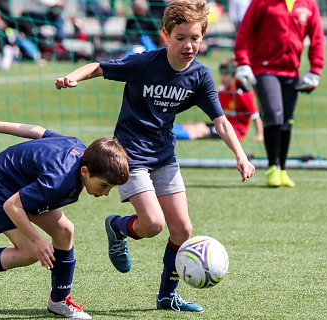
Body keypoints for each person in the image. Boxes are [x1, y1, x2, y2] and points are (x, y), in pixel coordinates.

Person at [55, 0, 255, 312]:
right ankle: (118, 227)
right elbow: (99, 67)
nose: (188, 45)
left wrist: (241, 156)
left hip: (164, 156)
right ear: (165, 35)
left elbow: (220, 121)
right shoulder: (145, 63)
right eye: (180, 38)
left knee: (183, 230)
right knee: (152, 225)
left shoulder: (200, 76)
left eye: (195, 38)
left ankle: (167, 296)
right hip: (130, 155)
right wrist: (73, 77)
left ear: (203, 37)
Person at [0, 107, 130, 319]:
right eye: (104, 185)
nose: (105, 193)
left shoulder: (81, 150)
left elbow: (38, 131)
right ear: (85, 171)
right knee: (29, 251)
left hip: (22, 185)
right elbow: (11, 206)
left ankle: (59, 300)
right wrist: (38, 240)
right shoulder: (59, 180)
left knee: (65, 230)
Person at [234, 0, 325, 187]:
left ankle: (283, 169)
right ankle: (272, 167)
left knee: (287, 120)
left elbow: (317, 37)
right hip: (264, 69)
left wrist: (316, 69)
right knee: (274, 115)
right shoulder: (261, 2)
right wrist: (243, 62)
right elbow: (245, 31)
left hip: (291, 72)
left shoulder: (309, 4)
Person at [173, 60, 264, 141]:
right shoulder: (222, 91)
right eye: (221, 75)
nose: (222, 79)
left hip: (234, 132)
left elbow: (255, 116)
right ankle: (168, 131)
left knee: (200, 131)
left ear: (234, 76)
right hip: (222, 126)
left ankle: (172, 135)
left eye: (225, 75)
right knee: (193, 125)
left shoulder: (242, 94)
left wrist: (260, 135)